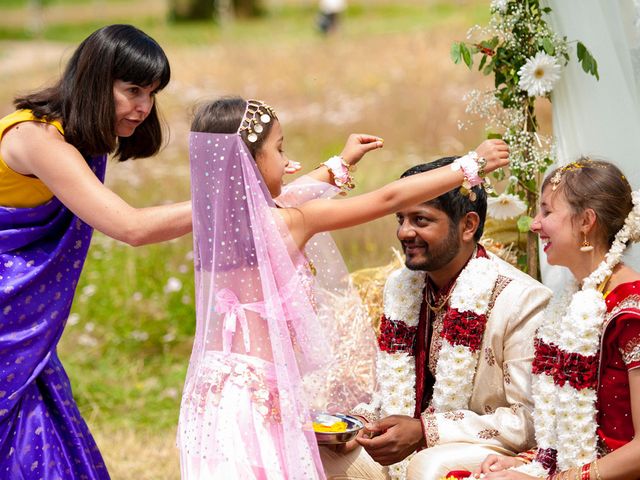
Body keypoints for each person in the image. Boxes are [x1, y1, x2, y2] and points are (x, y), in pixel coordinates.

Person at [178, 97, 510, 479]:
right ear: (249, 164)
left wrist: (342, 162)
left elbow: (294, 191)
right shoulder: (292, 222)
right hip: (260, 397)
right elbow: (389, 198)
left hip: (216, 391)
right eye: (280, 148)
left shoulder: (214, 224)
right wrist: (470, 165)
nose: (287, 162)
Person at [0, 24, 191, 479]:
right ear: (94, 80)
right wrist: (231, 198)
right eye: (132, 90)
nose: (143, 107)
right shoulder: (35, 139)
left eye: (152, 93)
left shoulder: (75, 141)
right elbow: (131, 227)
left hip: (22, 329)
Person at [321, 158, 553, 480]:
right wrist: (363, 424)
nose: (404, 232)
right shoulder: (402, 286)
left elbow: (528, 420)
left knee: (428, 467)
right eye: (400, 218)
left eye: (420, 220)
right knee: (321, 453)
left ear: (468, 226)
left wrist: (425, 431)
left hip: (490, 452)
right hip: (410, 446)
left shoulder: (520, 300)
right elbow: (395, 392)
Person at [475, 159, 640, 480]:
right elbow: (568, 428)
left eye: (547, 212)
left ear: (586, 221)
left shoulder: (632, 312)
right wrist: (528, 462)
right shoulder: (571, 301)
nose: (534, 225)